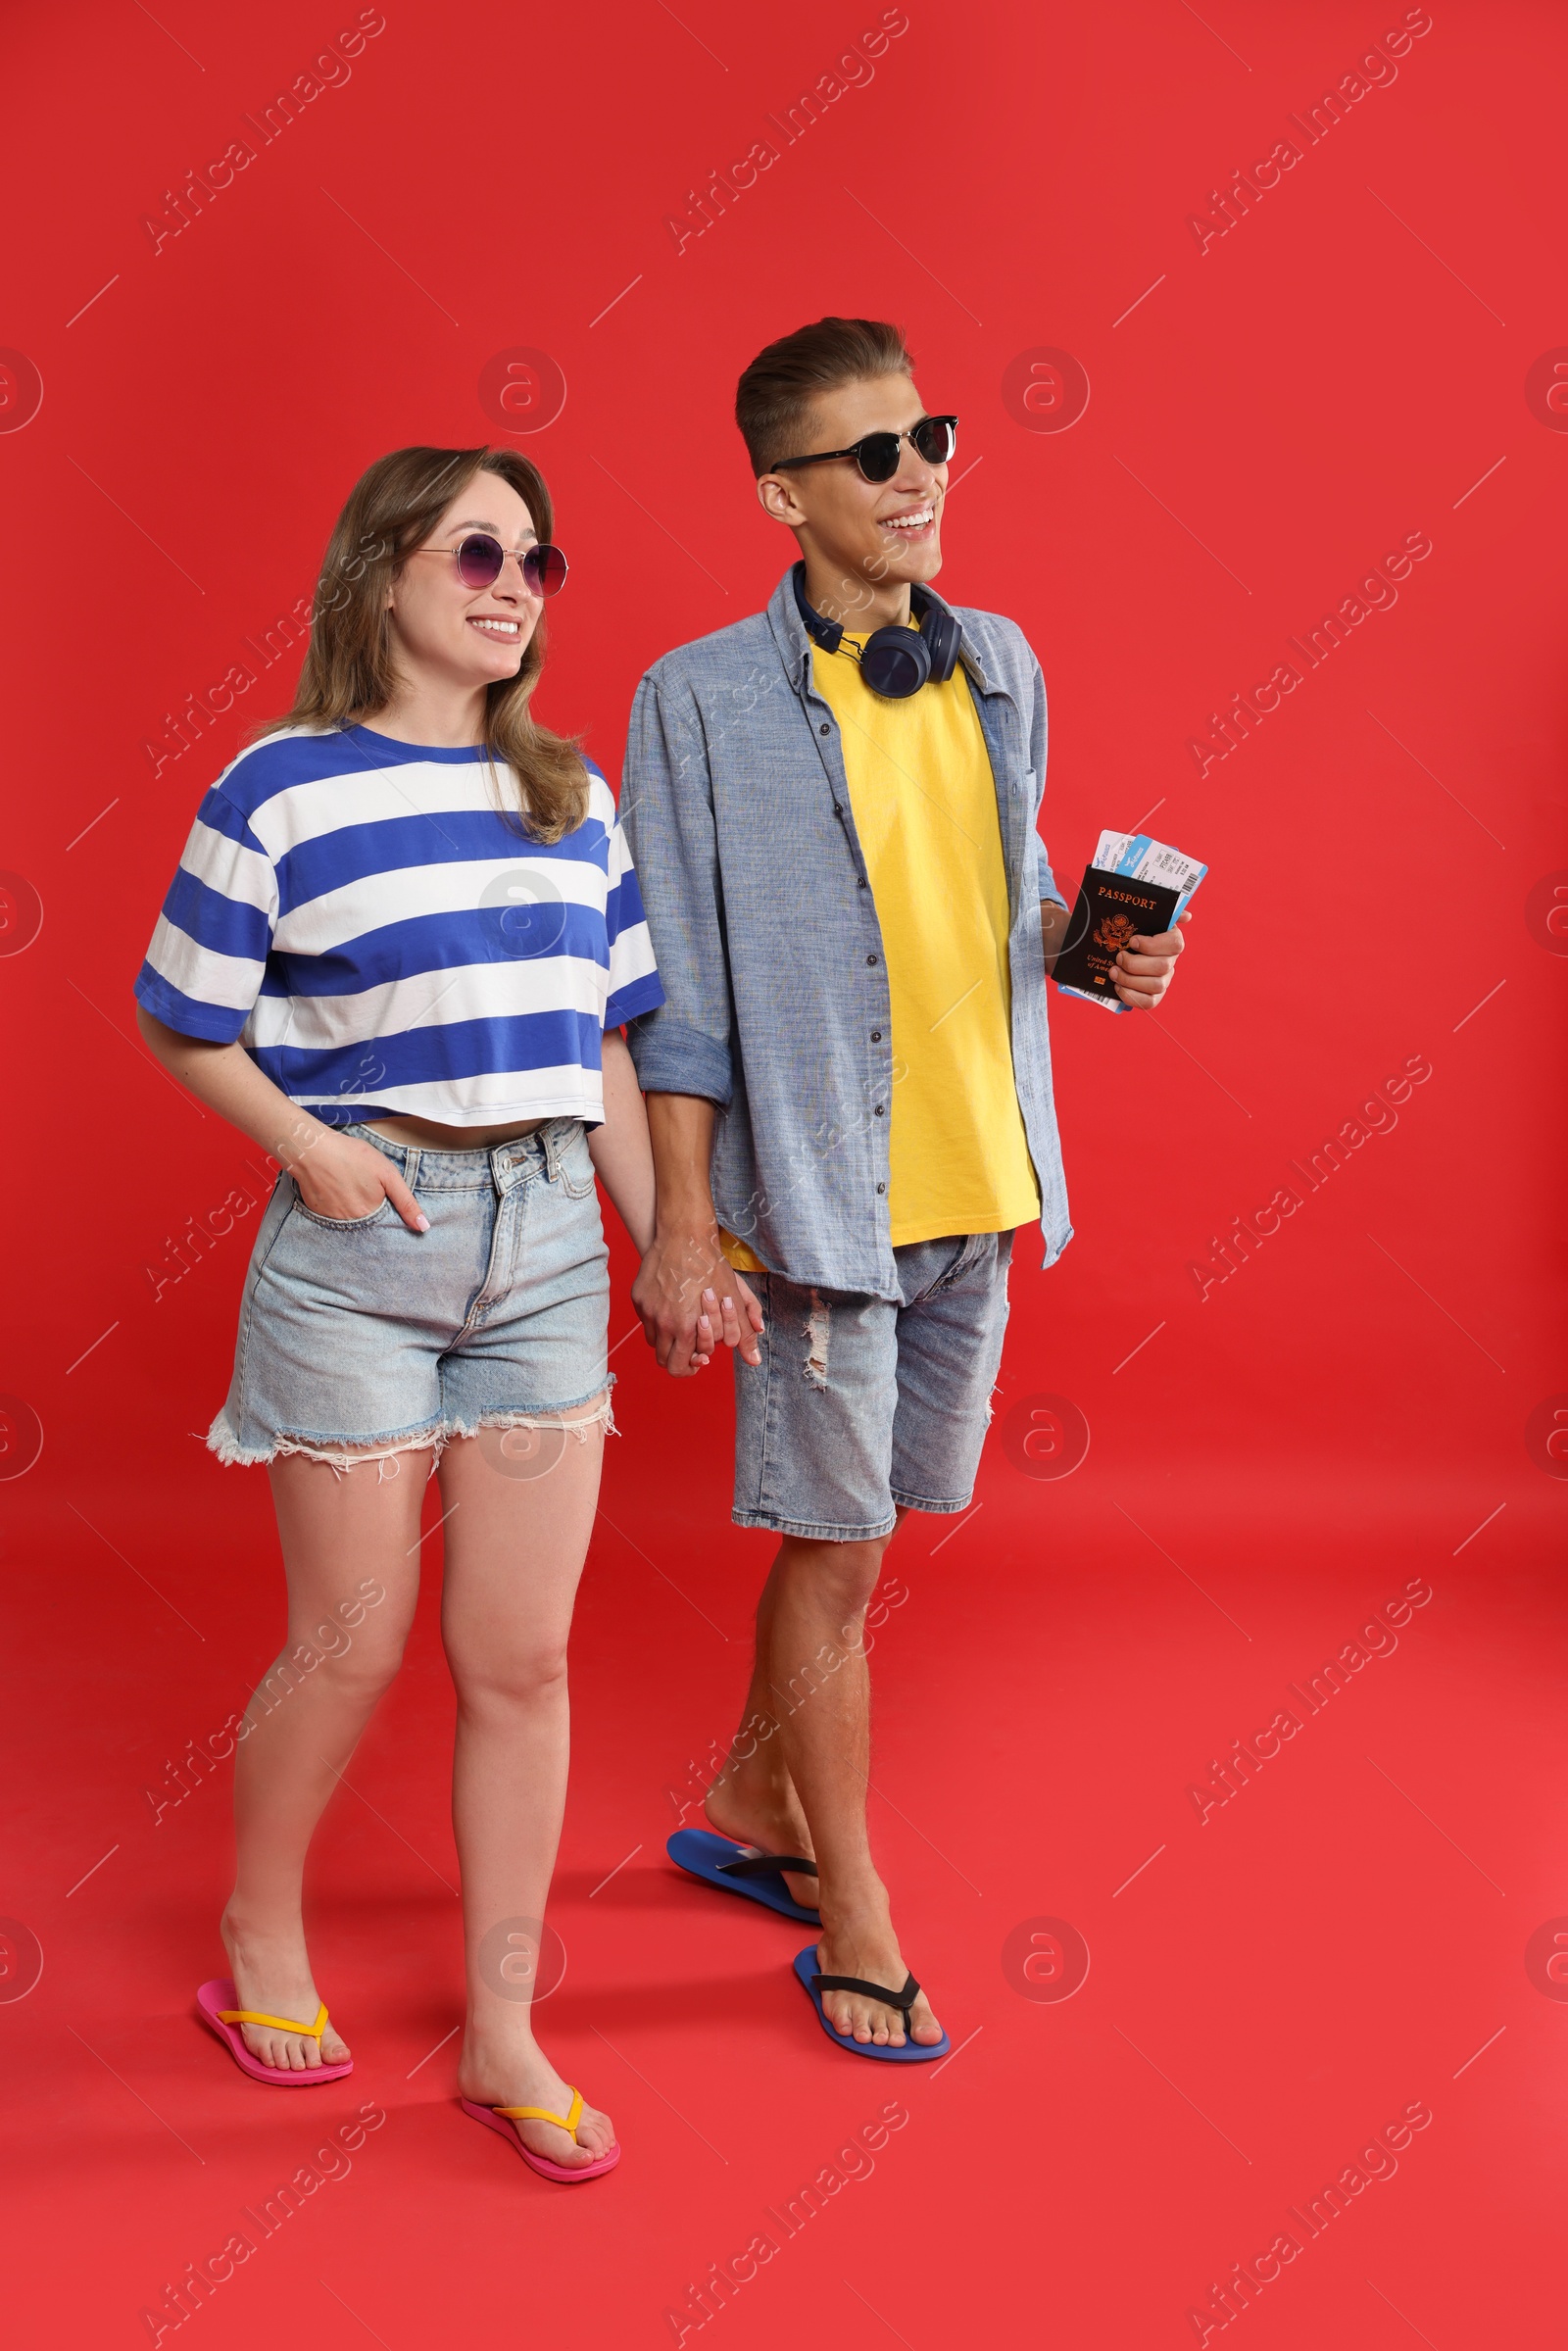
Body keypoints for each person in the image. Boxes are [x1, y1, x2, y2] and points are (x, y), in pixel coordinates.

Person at [623, 318, 1190, 2057]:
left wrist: (1094, 957)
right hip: (816, 1204)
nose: (920, 471)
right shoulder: (696, 699)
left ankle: (745, 1797)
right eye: (872, 453)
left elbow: (1003, 896)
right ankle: (855, 1911)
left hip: (984, 1178)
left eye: (928, 434)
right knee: (841, 1547)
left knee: (852, 1533)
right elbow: (678, 991)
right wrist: (678, 1224)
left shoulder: (1000, 660)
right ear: (781, 494)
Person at [134, 443, 671, 2179]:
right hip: (361, 1241)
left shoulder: (573, 797)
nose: (516, 584)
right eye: (477, 553)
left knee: (519, 1657)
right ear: (380, 576)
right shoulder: (278, 789)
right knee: (354, 1640)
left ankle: (507, 2025)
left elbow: (607, 1047)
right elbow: (182, 1015)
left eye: (537, 561)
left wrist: (670, 1245)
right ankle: (258, 1926)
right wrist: (315, 1152)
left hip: (548, 1252)